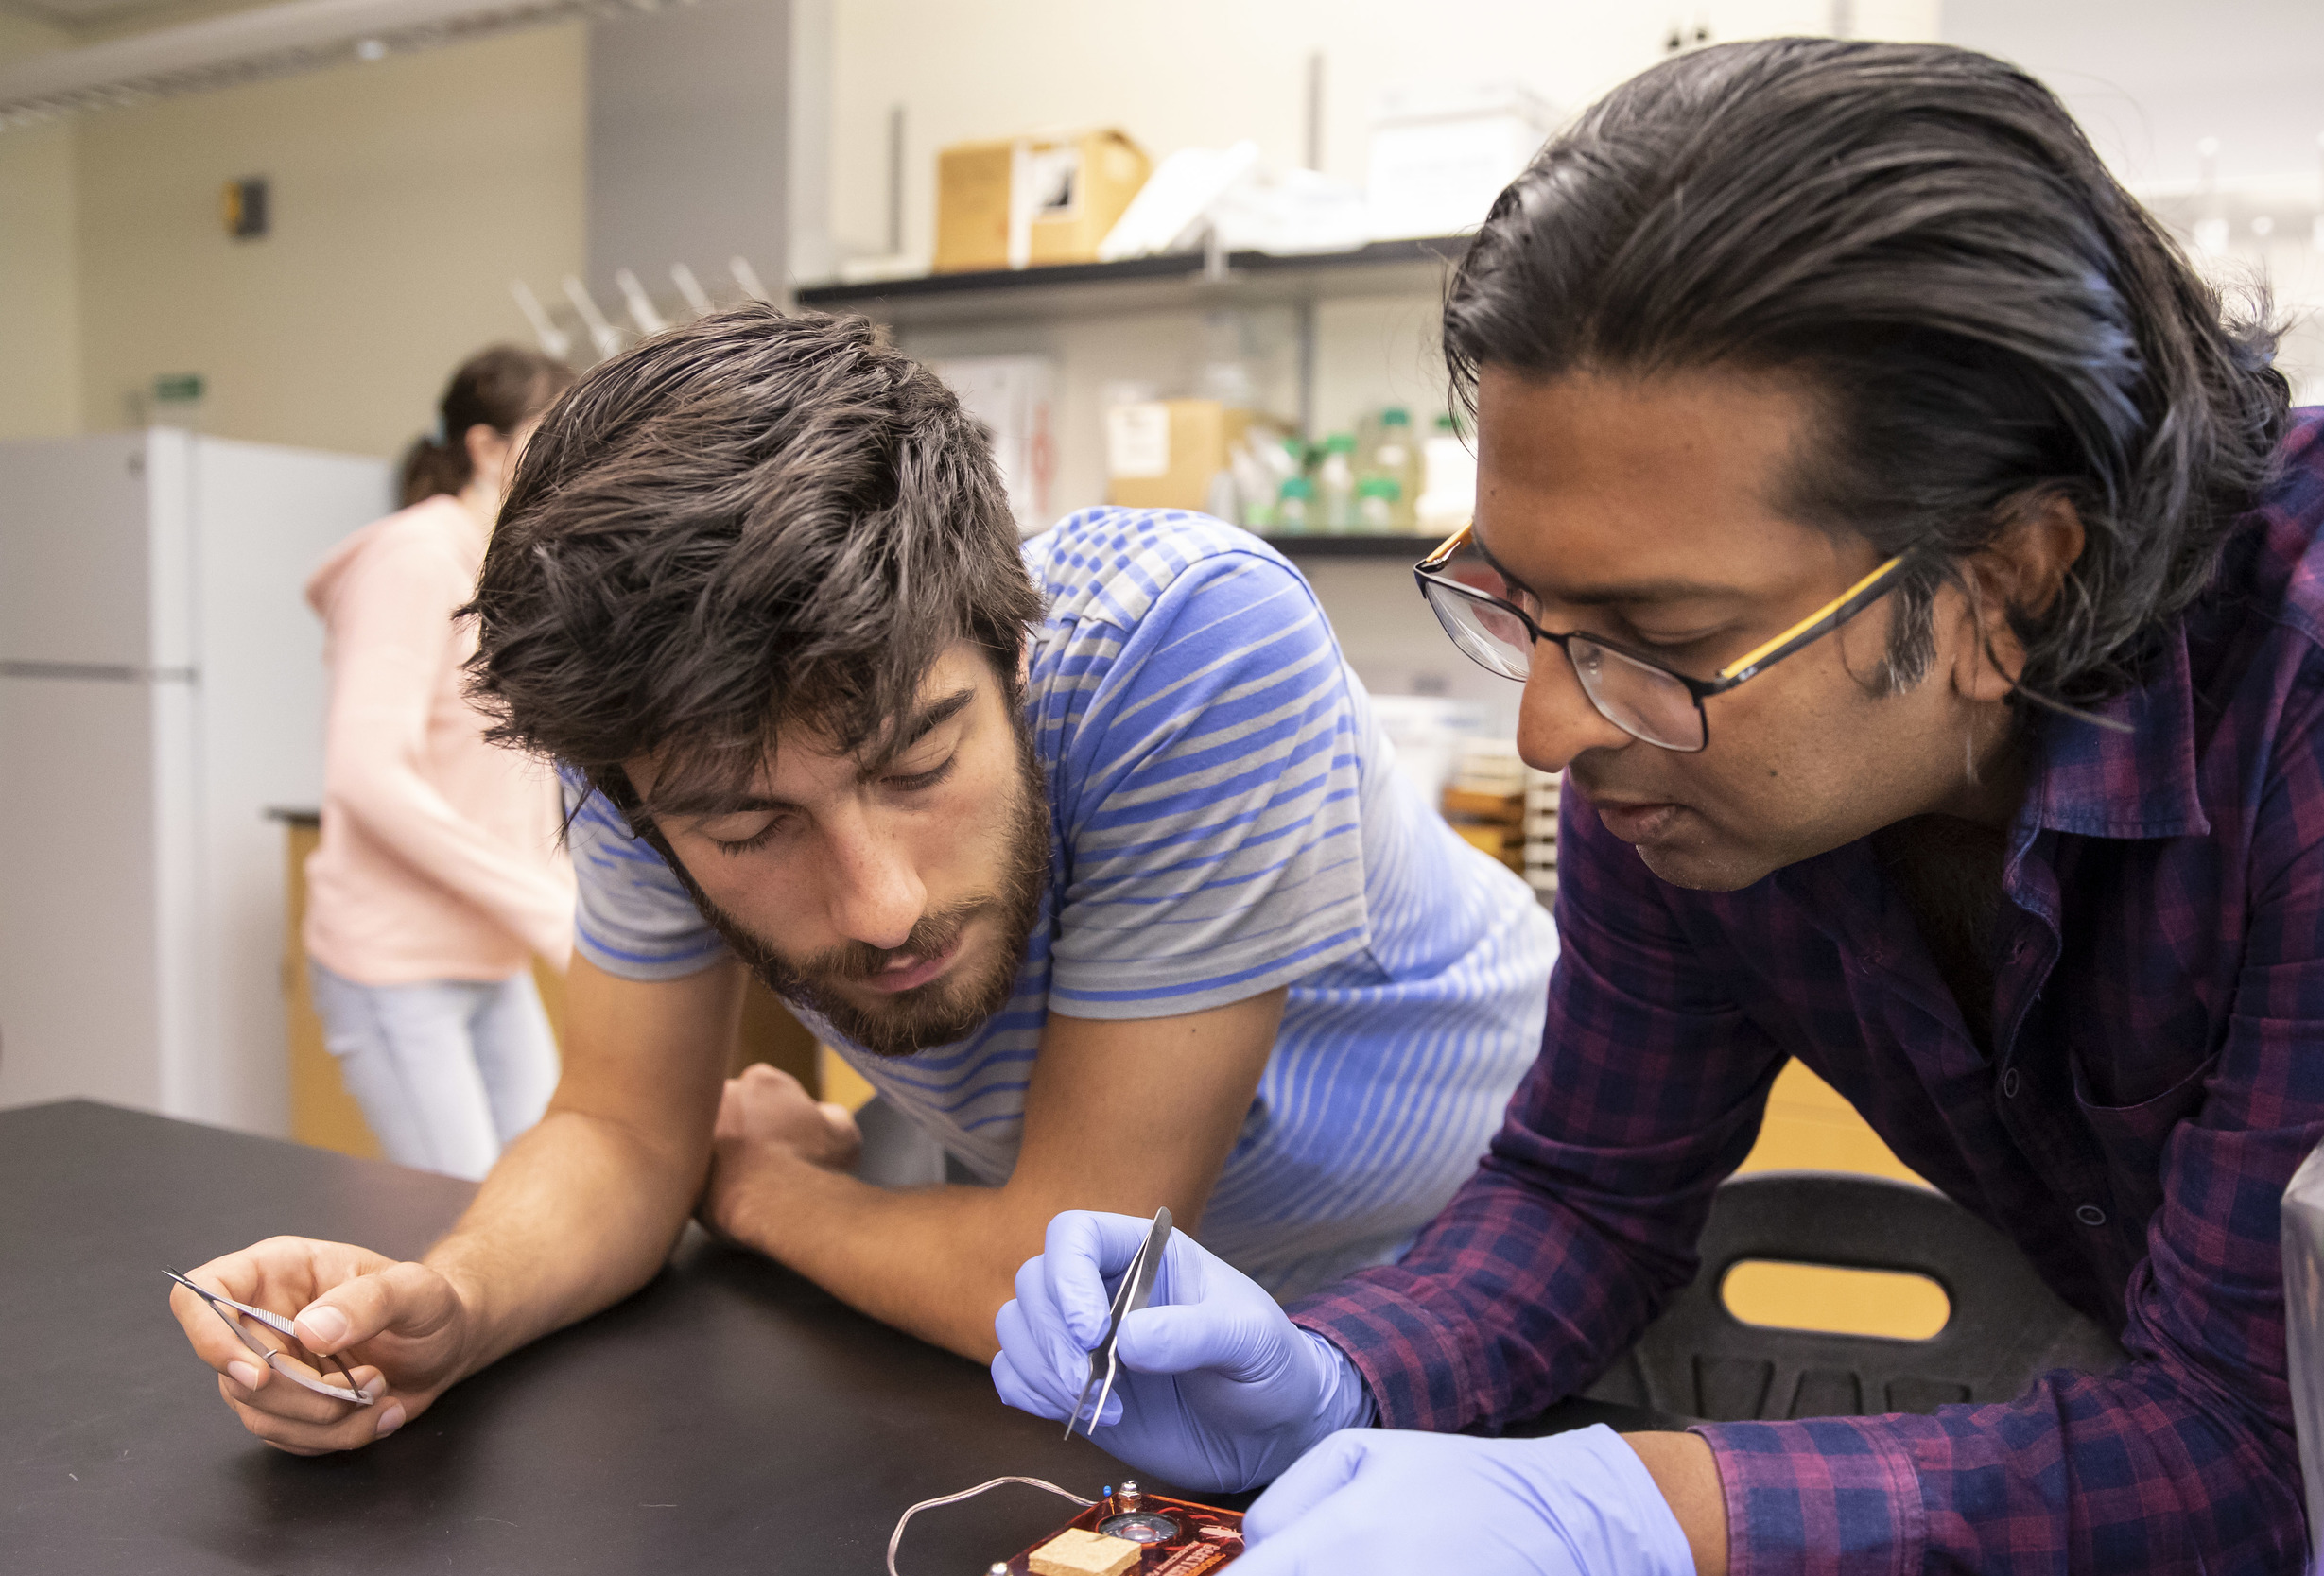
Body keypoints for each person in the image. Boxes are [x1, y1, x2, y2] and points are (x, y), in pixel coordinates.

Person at [989, 38, 2324, 1576]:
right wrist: (1333, 1376)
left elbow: (2283, 1445)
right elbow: (1587, 1195)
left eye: (1647, 630)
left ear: (2009, 581)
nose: (1549, 726)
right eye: (1520, 611)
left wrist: (1636, 1519)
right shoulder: (1688, 741)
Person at [166, 308, 1552, 1446]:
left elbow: (1076, 1283)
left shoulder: (1187, 651)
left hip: (1470, 1267)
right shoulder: (649, 742)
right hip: (1086, 1338)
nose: (881, 905)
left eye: (917, 763)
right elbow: (623, 1134)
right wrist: (451, 1304)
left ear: (1013, 651)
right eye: (753, 832)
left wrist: (757, 1187)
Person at [303, 346, 578, 1179]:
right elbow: (366, 775)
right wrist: (542, 906)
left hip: (490, 956)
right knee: (459, 1220)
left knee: (547, 1197)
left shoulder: (505, 569)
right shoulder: (415, 558)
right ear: (487, 449)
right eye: (548, 437)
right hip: (399, 962)